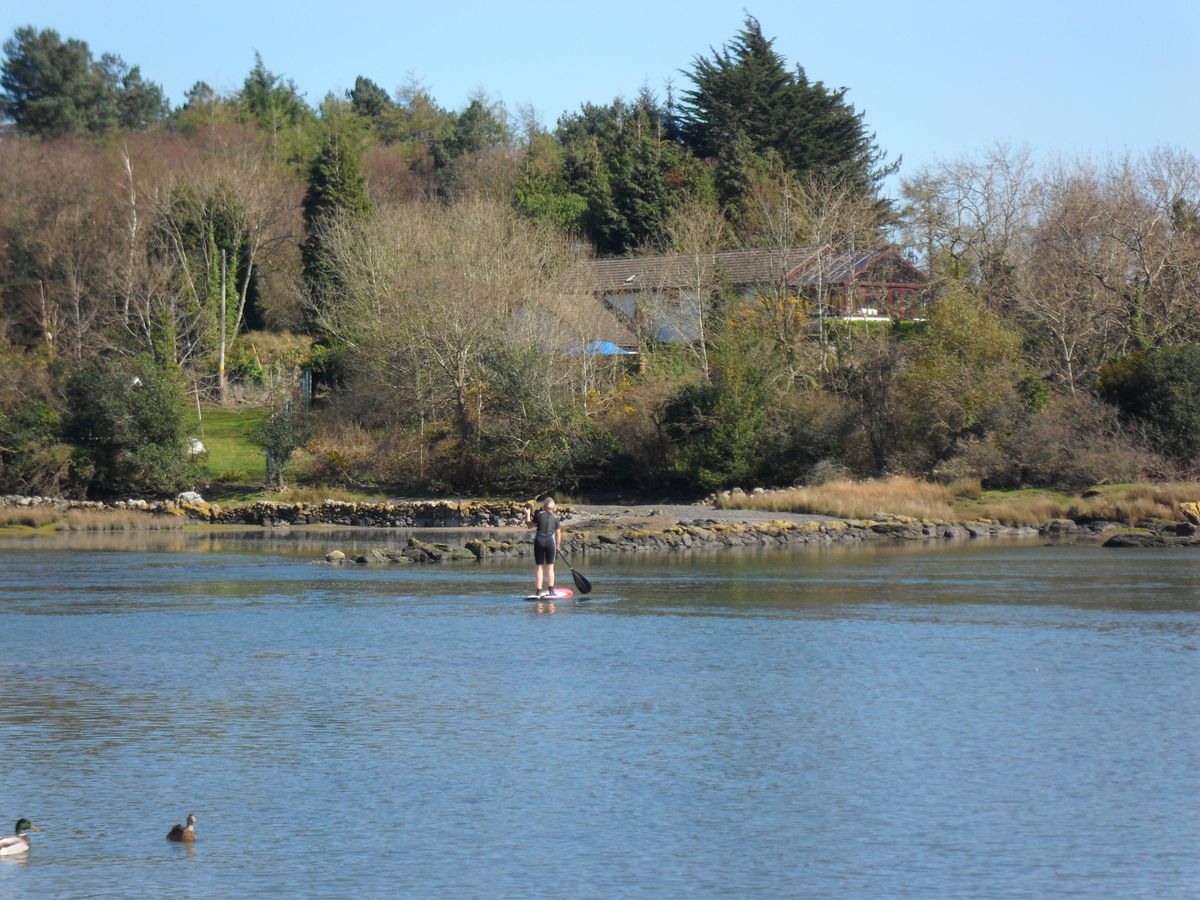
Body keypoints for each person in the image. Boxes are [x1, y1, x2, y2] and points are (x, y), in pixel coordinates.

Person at [525, 496, 561, 596]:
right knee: (550, 568)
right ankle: (551, 591)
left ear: (544, 506)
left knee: (539, 567)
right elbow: (558, 534)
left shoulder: (538, 514)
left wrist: (527, 515)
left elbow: (529, 526)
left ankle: (539, 591)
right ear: (553, 507)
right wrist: (557, 546)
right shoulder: (556, 519)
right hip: (550, 543)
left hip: (539, 542)